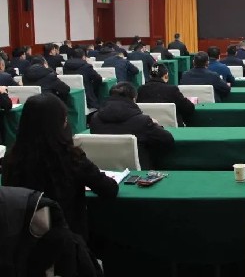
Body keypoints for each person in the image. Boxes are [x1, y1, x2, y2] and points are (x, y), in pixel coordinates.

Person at [2, 93, 119, 240]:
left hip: (22, 243)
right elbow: (109, 189)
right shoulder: (71, 158)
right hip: (68, 242)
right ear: (60, 124)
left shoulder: (11, 159)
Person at [90, 82, 175, 169]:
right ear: (134, 99)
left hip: (103, 171)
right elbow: (167, 140)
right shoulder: (142, 121)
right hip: (137, 174)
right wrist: (156, 125)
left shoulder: (94, 119)